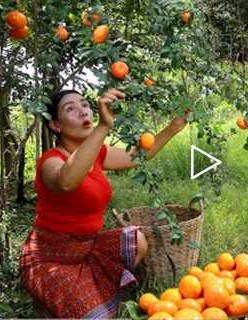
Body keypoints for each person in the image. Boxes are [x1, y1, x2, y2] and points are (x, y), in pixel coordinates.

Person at [19, 88, 187, 318]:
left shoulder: (98, 153)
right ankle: (58, 296)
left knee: (137, 241)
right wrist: (103, 127)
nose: (82, 112)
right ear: (56, 126)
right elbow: (67, 181)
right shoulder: (50, 162)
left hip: (88, 250)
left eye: (84, 105)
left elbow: (139, 156)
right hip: (52, 259)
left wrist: (174, 127)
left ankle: (90, 289)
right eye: (70, 109)